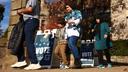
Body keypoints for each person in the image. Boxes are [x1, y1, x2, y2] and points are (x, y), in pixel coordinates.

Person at [11, 0, 41, 70]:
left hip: (31, 21)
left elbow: (30, 9)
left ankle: (34, 62)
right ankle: (21, 60)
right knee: (19, 40)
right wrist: (22, 14)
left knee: (29, 41)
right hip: (28, 21)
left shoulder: (32, 0)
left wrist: (20, 10)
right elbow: (28, 12)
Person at [64, 4, 82, 68]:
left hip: (75, 32)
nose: (67, 8)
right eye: (66, 8)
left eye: (68, 7)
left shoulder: (77, 12)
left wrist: (72, 21)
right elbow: (66, 24)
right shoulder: (67, 15)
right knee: (71, 47)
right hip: (68, 33)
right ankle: (77, 63)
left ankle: (77, 60)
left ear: (71, 6)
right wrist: (65, 35)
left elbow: (79, 20)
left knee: (72, 43)